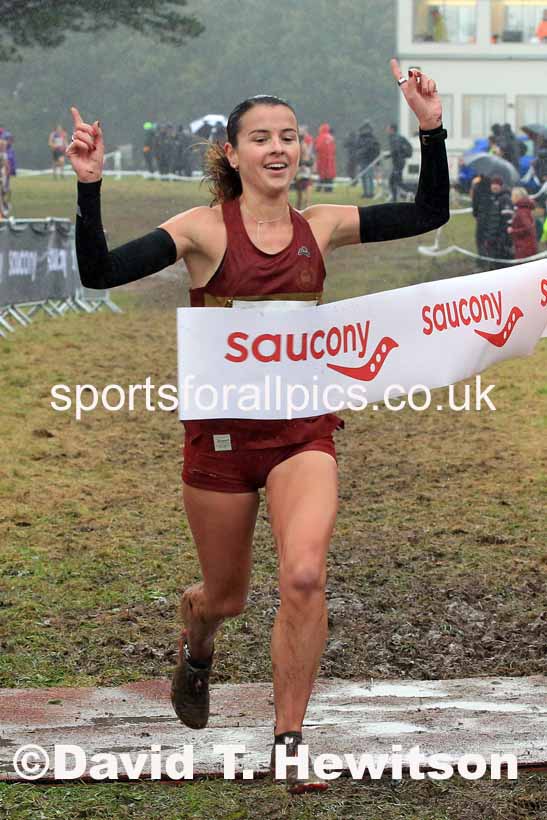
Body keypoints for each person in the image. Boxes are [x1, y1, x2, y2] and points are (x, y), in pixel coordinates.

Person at [67, 58, 448, 794]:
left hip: (302, 432)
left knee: (304, 575)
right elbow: (100, 272)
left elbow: (428, 212)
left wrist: (430, 129)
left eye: (289, 137)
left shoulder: (321, 224)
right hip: (220, 442)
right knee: (227, 597)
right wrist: (89, 184)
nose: (278, 148)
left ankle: (290, 742)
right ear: (233, 152)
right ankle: (198, 637)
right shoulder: (202, 230)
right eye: (262, 138)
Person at [483, 175, 514, 267]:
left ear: (501, 186)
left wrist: (503, 238)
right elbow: (492, 220)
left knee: (502, 264)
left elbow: (508, 220)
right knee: (495, 263)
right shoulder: (494, 198)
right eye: (493, 184)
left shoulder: (505, 199)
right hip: (493, 239)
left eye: (497, 184)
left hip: (501, 240)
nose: (494, 186)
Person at [508, 187, 538, 259]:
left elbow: (528, 228)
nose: (511, 198)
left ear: (517, 197)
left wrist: (513, 231)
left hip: (524, 248)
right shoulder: (525, 209)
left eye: (512, 196)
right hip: (526, 246)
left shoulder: (522, 211)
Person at [386, 122, 413, 202]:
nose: (386, 130)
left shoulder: (394, 138)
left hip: (398, 162)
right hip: (400, 161)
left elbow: (395, 150)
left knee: (397, 182)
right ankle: (394, 199)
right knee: (393, 181)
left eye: (388, 128)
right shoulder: (399, 137)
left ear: (392, 129)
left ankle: (414, 191)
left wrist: (388, 155)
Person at [355, 122, 381, 198]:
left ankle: (369, 193)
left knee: (368, 176)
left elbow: (374, 149)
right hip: (367, 160)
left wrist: (360, 153)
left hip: (368, 160)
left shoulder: (366, 139)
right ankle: (367, 192)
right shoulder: (369, 138)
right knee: (367, 177)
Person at [294, 128, 314, 210]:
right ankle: (300, 211)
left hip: (304, 173)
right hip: (301, 173)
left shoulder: (303, 146)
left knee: (303, 198)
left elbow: (309, 160)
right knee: (301, 198)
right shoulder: (299, 147)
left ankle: (304, 211)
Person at [314, 123, 336, 193]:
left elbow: (317, 148)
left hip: (322, 158)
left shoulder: (320, 137)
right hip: (330, 159)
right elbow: (333, 149)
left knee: (322, 174)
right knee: (329, 174)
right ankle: (329, 188)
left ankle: (319, 188)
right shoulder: (331, 137)